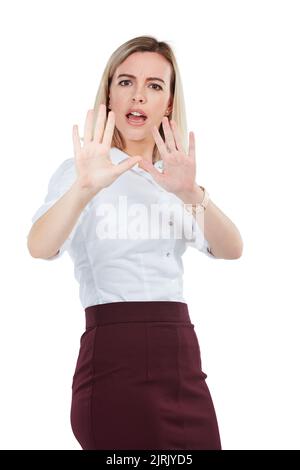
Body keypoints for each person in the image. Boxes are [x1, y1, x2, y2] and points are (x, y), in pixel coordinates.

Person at [27, 35, 243, 450]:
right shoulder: (81, 171)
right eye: (126, 82)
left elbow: (232, 249)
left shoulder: (176, 177)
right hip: (112, 355)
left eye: (155, 86)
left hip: (179, 354)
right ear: (109, 92)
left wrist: (192, 193)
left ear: (169, 102)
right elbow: (39, 246)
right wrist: (84, 188)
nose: (138, 96)